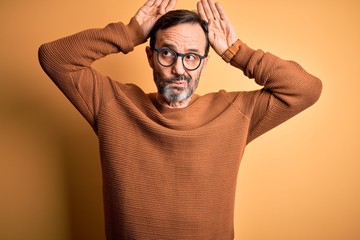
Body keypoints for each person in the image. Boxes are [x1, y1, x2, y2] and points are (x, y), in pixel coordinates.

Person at [38, 0, 322, 239]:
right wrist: (131, 32)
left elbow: (306, 90)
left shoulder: (235, 112)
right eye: (167, 53)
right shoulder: (112, 104)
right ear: (150, 57)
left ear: (204, 62)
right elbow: (54, 58)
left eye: (191, 57)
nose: (179, 69)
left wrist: (236, 51)